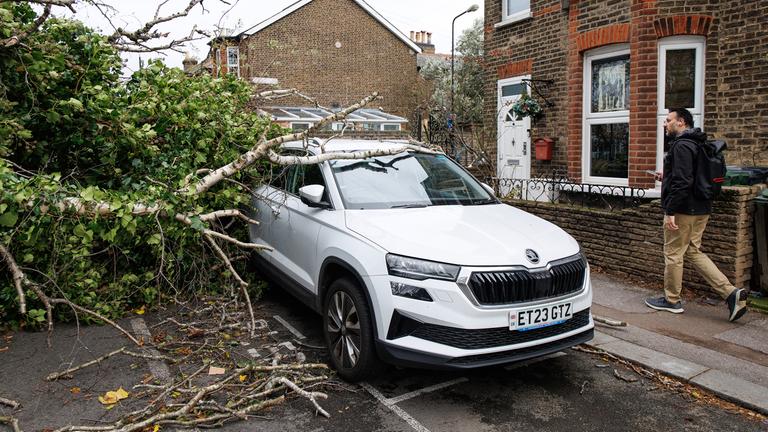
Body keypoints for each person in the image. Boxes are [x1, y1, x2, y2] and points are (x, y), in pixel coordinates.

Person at [644, 107, 747, 322]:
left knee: (673, 253)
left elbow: (684, 181)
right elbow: (691, 175)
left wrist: (670, 210)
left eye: (668, 120)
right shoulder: (699, 142)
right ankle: (730, 293)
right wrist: (667, 176)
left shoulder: (681, 145)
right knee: (692, 251)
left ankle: (671, 300)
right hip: (702, 208)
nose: (665, 124)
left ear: (681, 122)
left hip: (683, 210)